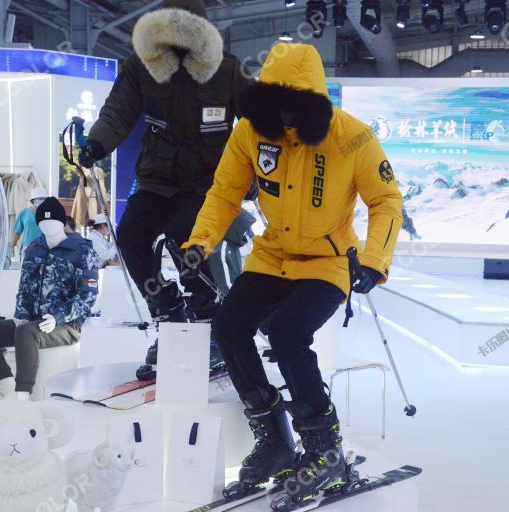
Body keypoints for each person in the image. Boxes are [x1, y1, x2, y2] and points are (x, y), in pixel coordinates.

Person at [181, 44, 402, 508]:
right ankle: (276, 439)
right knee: (228, 326)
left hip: (328, 262)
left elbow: (385, 200)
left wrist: (376, 260)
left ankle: (324, 447)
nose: (282, 118)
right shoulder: (250, 133)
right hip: (271, 255)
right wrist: (200, 243)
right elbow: (225, 193)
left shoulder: (352, 137)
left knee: (287, 332)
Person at [78, 0, 253, 376]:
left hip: (209, 184)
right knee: (131, 235)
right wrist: (97, 143)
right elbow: (118, 110)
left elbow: (259, 126)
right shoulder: (142, 68)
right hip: (158, 179)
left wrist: (256, 178)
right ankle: (170, 316)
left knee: (184, 236)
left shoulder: (228, 71)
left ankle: (211, 323)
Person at [0, 197, 99, 399]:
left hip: (67, 324)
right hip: (32, 321)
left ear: (63, 223)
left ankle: (22, 396)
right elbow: (25, 288)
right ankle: (9, 389)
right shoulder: (33, 248)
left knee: (27, 332)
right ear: (37, 223)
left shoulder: (82, 250)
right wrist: (21, 315)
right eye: (43, 222)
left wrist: (57, 317)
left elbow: (88, 296)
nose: (48, 226)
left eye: (53, 221)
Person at [10, 186, 48, 260]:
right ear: (33, 200)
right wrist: (12, 247)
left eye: (44, 199)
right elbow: (17, 232)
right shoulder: (25, 213)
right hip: (27, 248)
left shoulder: (49, 213)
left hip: (44, 249)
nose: (43, 201)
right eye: (40, 199)